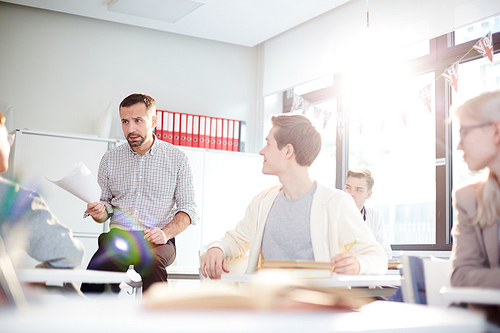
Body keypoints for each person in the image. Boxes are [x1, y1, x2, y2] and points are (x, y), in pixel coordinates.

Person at [200, 114, 387, 279]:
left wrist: (358, 264)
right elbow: (236, 240)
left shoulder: (336, 202)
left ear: (288, 151)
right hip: (266, 309)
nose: (262, 151)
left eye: (268, 143)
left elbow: (377, 257)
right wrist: (217, 248)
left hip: (318, 311)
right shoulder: (262, 202)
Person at [81, 93, 198, 293]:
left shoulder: (178, 159)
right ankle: (91, 320)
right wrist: (99, 212)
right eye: (125, 122)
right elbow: (105, 210)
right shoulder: (110, 159)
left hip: (157, 238)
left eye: (138, 121)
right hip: (120, 237)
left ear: (154, 121)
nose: (130, 129)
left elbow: (188, 210)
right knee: (101, 267)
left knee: (151, 263)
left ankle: (155, 321)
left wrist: (165, 233)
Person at [0, 112, 84, 269]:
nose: (10, 144)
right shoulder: (14, 198)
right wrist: (41, 272)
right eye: (7, 139)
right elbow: (71, 254)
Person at [450, 91, 500, 324]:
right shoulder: (468, 198)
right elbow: (461, 276)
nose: (459, 146)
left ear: (497, 131)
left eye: (465, 133)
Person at [344, 168, 392, 258]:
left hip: (367, 270)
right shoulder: (332, 213)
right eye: (348, 187)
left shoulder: (375, 216)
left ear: (368, 194)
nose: (351, 193)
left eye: (358, 190)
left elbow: (386, 255)